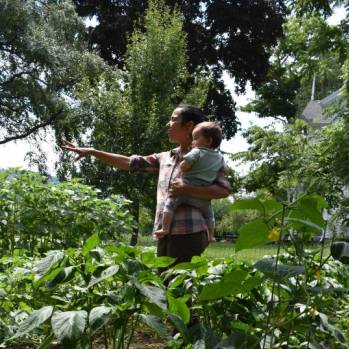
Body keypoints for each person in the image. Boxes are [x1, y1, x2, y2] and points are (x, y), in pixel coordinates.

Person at [62, 104, 230, 264]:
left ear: (189, 126)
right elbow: (130, 162)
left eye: (173, 119)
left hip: (190, 231)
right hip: (165, 232)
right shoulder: (165, 157)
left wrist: (187, 189)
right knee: (163, 282)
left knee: (178, 285)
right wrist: (92, 151)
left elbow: (223, 190)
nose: (168, 124)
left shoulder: (209, 159)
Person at [154, 121, 225, 242]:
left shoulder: (197, 151)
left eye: (196, 138)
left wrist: (183, 162)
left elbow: (184, 166)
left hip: (185, 190)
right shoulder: (220, 157)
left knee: (169, 204)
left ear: (208, 141)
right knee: (209, 215)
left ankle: (165, 228)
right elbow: (225, 170)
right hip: (202, 198)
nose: (193, 142)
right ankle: (211, 235)